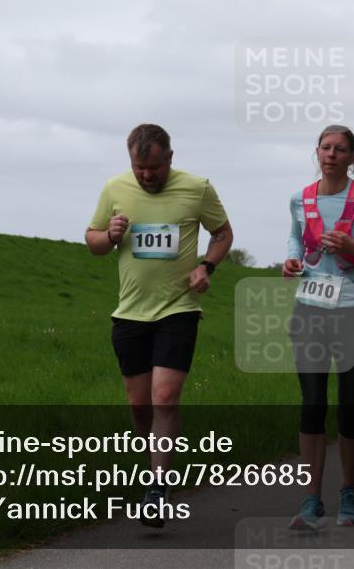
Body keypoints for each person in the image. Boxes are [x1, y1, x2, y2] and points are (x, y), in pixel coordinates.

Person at [86, 123, 233, 527]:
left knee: (164, 398)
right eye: (139, 168)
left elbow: (222, 233)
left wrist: (207, 266)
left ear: (170, 158)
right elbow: (92, 241)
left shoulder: (197, 188)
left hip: (178, 309)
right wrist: (109, 235)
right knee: (139, 406)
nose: (147, 176)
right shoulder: (115, 189)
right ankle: (152, 467)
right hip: (130, 313)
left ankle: (157, 487)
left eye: (154, 168)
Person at [283, 125, 354, 529]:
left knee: (349, 406)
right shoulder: (301, 198)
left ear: (353, 157)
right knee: (312, 404)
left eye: (340, 149)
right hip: (310, 309)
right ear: (316, 152)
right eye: (326, 147)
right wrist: (291, 261)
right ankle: (310, 498)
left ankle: (349, 492)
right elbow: (295, 240)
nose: (331, 154)